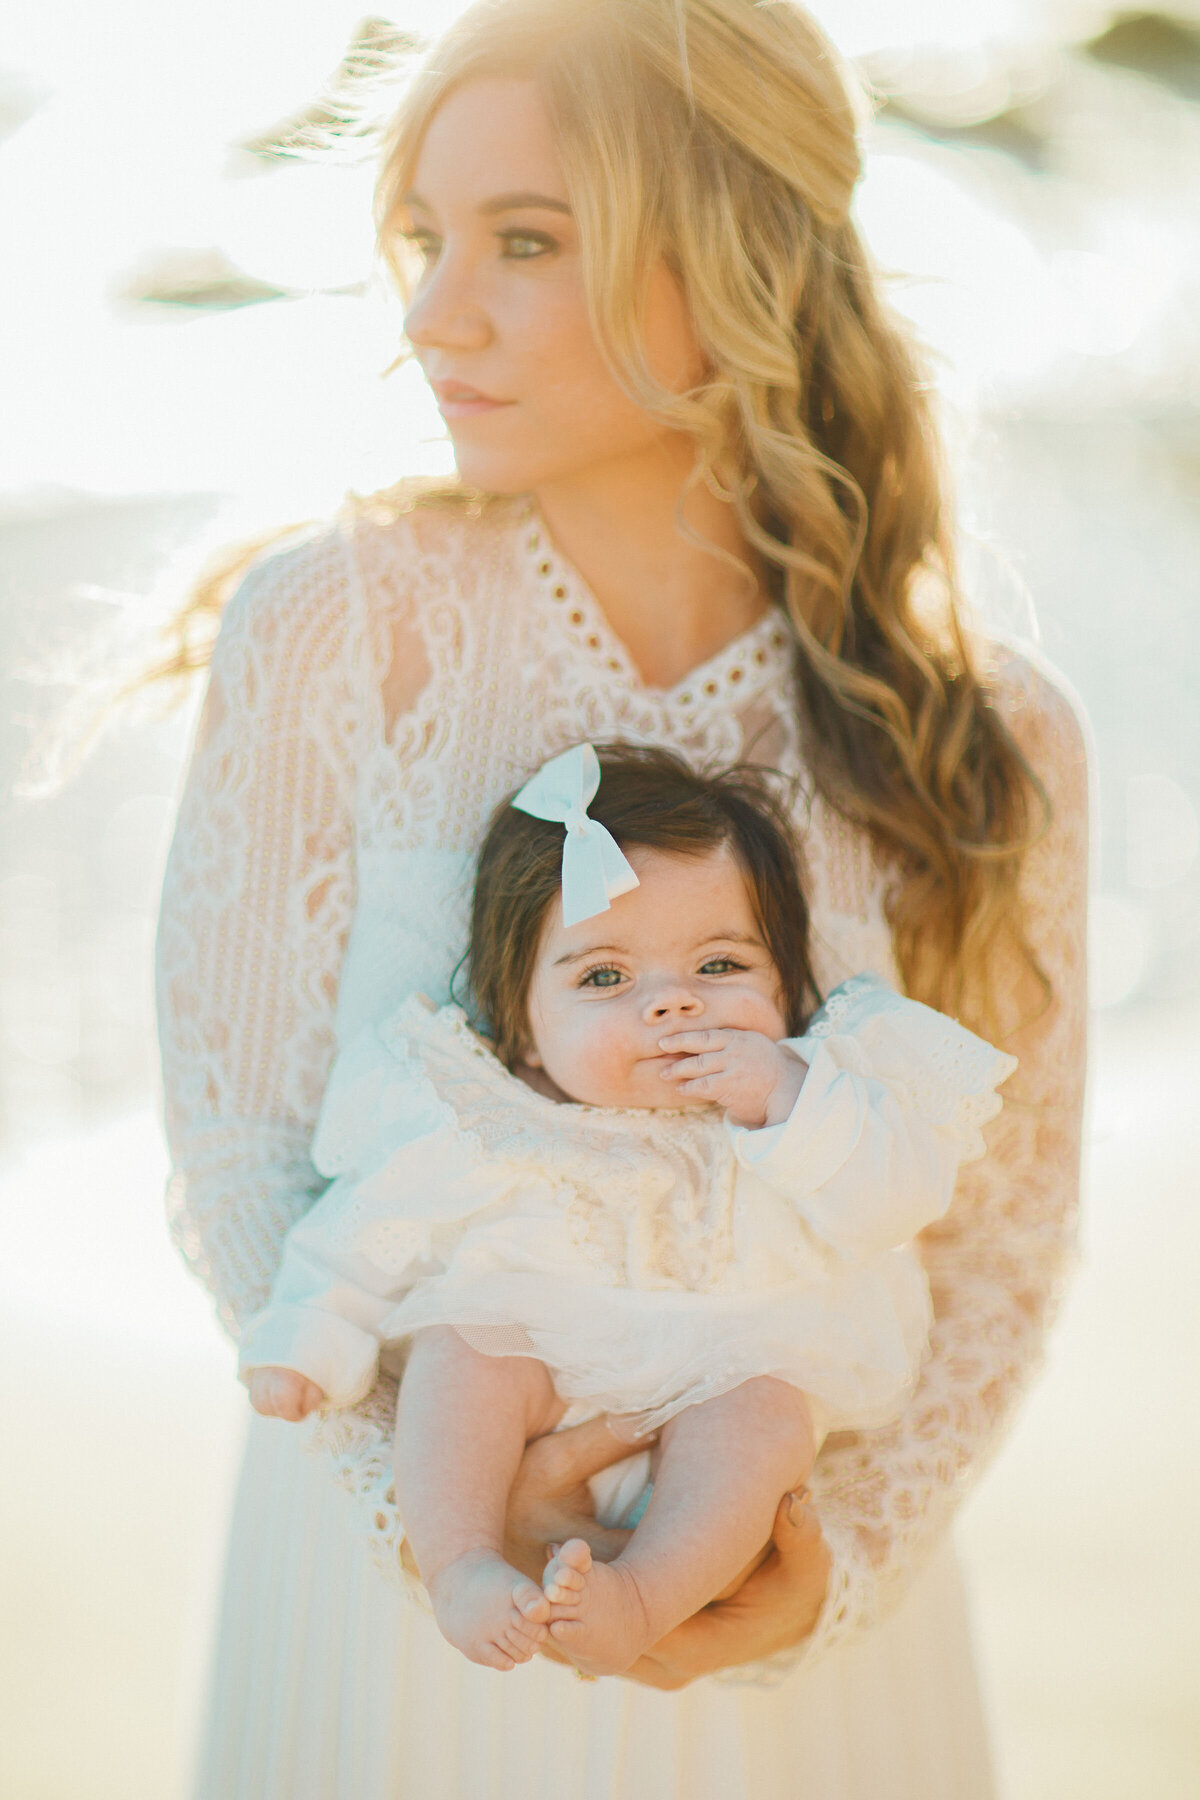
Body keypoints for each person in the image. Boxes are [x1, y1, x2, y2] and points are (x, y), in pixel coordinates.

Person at [155, 0, 1089, 1793]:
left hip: (791, 1626)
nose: (436, 313)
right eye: (428, 243)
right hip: (408, 1605)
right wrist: (457, 1523)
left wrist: (823, 1572)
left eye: (526, 241)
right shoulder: (337, 631)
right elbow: (242, 1148)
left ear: (735, 249)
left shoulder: (988, 740)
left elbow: (1002, 1246)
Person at [236, 742, 1018, 1676]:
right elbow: (373, 1225)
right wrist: (311, 1332)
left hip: (729, 1356)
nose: (671, 1005)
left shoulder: (810, 1100)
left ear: (787, 988)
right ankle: (464, 1566)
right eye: (605, 978)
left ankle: (644, 1596)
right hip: (542, 1365)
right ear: (523, 1029)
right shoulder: (493, 1120)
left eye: (720, 964)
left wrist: (788, 1098)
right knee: (465, 1350)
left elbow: (896, 1207)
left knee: (766, 1415)